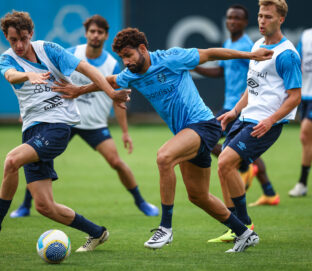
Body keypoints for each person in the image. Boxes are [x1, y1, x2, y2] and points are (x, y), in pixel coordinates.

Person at [53, 28, 273, 252]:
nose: (126, 61)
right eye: (122, 57)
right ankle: (245, 233)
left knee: (164, 157)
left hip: (203, 125)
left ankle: (165, 228)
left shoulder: (172, 58)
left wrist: (250, 55)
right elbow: (110, 80)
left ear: (142, 49)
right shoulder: (132, 74)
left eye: (128, 55)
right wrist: (79, 90)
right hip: (186, 133)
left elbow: (210, 53)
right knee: (198, 196)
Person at [0, 11, 130, 252]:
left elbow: (88, 69)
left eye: (23, 38)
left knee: (11, 161)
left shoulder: (49, 49)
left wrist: (111, 93)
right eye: (12, 40)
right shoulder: (7, 60)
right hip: (32, 132)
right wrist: (28, 74)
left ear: (31, 34)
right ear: (6, 38)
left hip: (57, 127)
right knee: (44, 206)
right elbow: (11, 76)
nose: (18, 45)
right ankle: (97, 232)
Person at [9, 15, 158, 219]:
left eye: (100, 32)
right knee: (39, 155)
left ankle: (141, 201)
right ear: (86, 33)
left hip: (94, 124)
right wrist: (28, 113)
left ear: (106, 36)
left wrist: (124, 132)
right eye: (92, 31)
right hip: (63, 119)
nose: (95, 35)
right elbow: (39, 84)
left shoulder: (112, 64)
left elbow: (118, 102)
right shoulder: (71, 53)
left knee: (116, 162)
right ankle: (26, 205)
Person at [217, 0, 301, 247]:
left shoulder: (287, 54)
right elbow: (251, 86)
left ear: (281, 19)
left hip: (265, 124)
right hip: (245, 118)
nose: (262, 21)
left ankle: (244, 227)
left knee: (225, 162)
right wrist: (233, 111)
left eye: (268, 17)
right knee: (223, 168)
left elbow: (294, 96)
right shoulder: (256, 45)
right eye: (260, 16)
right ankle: (238, 228)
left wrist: (271, 120)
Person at [194, 4, 280, 243]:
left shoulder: (246, 46)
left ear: (245, 22)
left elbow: (256, 79)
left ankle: (241, 217)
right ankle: (268, 192)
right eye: (230, 17)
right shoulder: (230, 44)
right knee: (232, 152)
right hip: (233, 108)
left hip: (242, 106)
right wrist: (195, 66)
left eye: (237, 18)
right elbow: (220, 72)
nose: (232, 21)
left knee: (210, 141)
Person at [288, 28, 312, 197]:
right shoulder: (306, 35)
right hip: (305, 95)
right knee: (306, 138)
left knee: (304, 133)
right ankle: (303, 183)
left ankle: (302, 182)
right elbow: (298, 61)